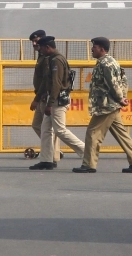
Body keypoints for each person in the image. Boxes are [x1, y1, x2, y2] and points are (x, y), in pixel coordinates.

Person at [73, 37, 132, 173]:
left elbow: (113, 84)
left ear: (101, 49)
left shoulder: (106, 64)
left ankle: (89, 164)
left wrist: (120, 98)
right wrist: (122, 97)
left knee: (93, 133)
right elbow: (123, 80)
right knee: (121, 133)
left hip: (106, 106)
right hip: (111, 104)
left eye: (94, 47)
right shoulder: (110, 62)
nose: (92, 49)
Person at [31, 36, 86, 170]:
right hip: (52, 99)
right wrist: (37, 99)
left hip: (57, 101)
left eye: (42, 48)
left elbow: (56, 84)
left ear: (48, 47)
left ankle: (86, 151)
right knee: (45, 130)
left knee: (60, 130)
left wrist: (50, 104)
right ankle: (46, 160)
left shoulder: (57, 60)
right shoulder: (50, 59)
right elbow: (45, 82)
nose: (40, 51)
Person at [27, 30, 52, 164]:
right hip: (41, 96)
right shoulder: (41, 55)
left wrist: (37, 99)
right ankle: (51, 151)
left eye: (36, 41)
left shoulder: (47, 57)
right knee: (37, 125)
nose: (34, 44)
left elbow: (47, 80)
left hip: (44, 97)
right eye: (32, 41)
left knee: (56, 130)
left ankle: (51, 152)